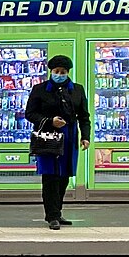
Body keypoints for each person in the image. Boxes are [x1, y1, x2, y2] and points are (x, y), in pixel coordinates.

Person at [24, 55, 91, 230]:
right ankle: (51, 215)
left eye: (63, 72)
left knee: (64, 177)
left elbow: (84, 116)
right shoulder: (40, 90)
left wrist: (85, 136)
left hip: (69, 139)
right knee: (50, 177)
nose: (59, 75)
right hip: (48, 140)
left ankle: (58, 211)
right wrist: (50, 121)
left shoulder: (77, 90)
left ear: (68, 72)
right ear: (51, 72)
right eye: (56, 72)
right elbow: (30, 114)